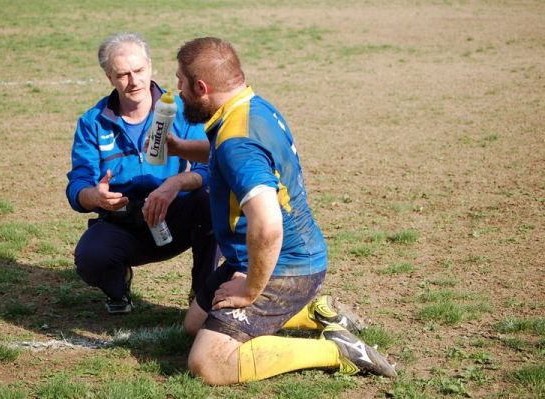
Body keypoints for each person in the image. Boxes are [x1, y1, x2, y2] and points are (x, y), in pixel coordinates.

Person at [170, 37, 397, 385]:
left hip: (286, 266)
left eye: (181, 82)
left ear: (201, 87)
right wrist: (180, 148)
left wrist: (250, 290)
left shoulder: (237, 142)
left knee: (208, 363)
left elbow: (268, 226)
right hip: (269, 256)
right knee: (195, 323)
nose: (178, 90)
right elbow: (226, 158)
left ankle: (336, 351)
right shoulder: (250, 107)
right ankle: (315, 313)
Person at [66, 32, 218, 314]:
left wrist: (176, 183)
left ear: (150, 66)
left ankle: (202, 295)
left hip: (177, 217)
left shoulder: (182, 110)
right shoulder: (92, 123)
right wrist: (95, 197)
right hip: (125, 224)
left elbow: (210, 167)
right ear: (109, 77)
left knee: (212, 200)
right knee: (91, 256)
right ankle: (118, 286)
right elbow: (77, 186)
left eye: (139, 70)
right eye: (123, 74)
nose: (134, 81)